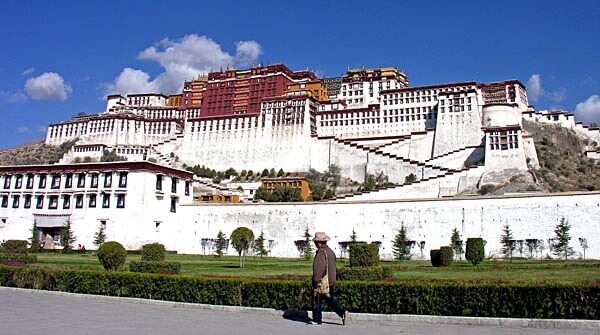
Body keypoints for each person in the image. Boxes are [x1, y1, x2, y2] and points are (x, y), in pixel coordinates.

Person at [309, 231, 349, 325]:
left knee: (316, 301)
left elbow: (319, 268)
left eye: (315, 242)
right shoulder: (330, 252)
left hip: (322, 282)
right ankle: (342, 312)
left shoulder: (321, 253)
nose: (315, 244)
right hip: (330, 281)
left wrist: (316, 280)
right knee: (329, 300)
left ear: (319, 243)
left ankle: (317, 319)